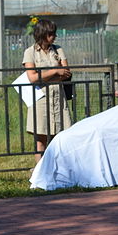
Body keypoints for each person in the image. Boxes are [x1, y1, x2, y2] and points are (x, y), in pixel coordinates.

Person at [22, 18, 72, 164]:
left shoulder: (58, 49)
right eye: (51, 34)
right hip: (40, 101)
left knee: (61, 137)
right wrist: (55, 71)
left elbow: (67, 72)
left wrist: (44, 76)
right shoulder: (30, 52)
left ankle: (60, 169)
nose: (54, 36)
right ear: (43, 34)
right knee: (41, 139)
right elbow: (32, 77)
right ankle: (40, 172)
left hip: (58, 99)